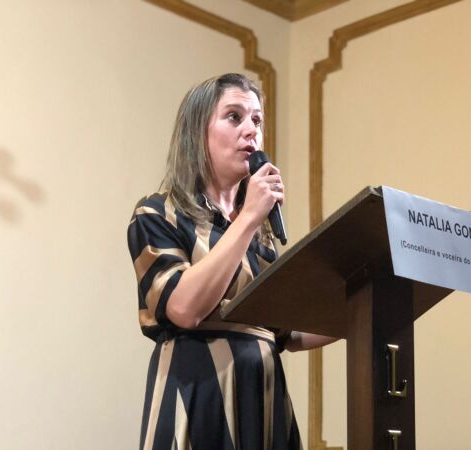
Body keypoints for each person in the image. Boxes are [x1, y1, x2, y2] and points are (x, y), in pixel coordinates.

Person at [127, 73, 336, 450]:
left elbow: (287, 331)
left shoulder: (258, 234)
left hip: (263, 398)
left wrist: (368, 303)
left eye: (256, 120)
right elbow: (184, 308)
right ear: (196, 133)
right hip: (199, 393)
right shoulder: (158, 213)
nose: (251, 130)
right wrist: (251, 216)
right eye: (234, 117)